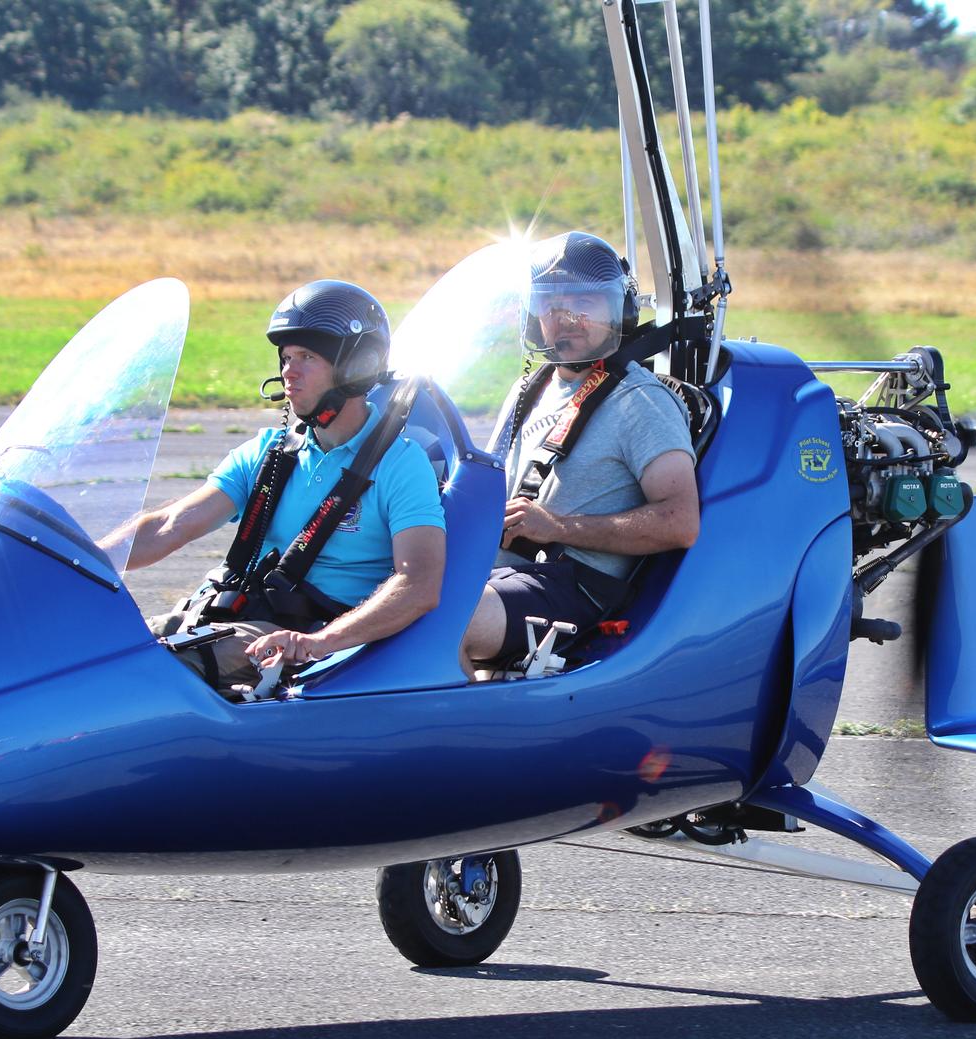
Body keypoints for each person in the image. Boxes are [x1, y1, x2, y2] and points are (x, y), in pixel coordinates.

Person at [104, 280, 446, 693]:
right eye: (285, 357)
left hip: (304, 640)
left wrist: (319, 643)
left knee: (140, 675)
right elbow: (169, 526)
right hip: (225, 617)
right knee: (91, 649)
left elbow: (419, 585)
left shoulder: (401, 463)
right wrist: (77, 564)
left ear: (357, 365)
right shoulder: (269, 452)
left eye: (306, 357)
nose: (289, 371)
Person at [461, 231, 699, 671]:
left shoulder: (640, 402)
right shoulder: (528, 389)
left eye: (584, 303)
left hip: (572, 586)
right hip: (502, 572)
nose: (565, 315)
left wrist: (557, 526)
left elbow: (679, 522)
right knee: (385, 594)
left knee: (449, 620)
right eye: (552, 303)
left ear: (619, 312)